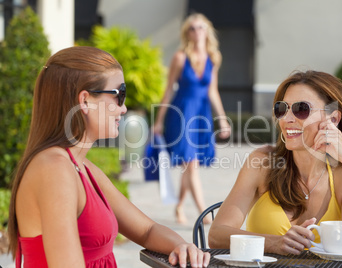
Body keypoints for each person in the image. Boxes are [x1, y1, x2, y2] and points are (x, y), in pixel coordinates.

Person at [8, 46, 210, 268]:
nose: (123, 109)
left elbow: (146, 229)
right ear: (85, 100)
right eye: (119, 95)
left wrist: (182, 247)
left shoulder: (81, 166)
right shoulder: (55, 170)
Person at [208, 70, 342, 255]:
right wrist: (273, 243)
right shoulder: (262, 163)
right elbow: (216, 235)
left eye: (301, 109)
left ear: (333, 119)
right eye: (281, 109)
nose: (286, 119)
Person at [152, 13, 231, 224]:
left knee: (190, 165)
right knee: (191, 163)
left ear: (207, 31)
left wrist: (222, 119)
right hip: (181, 113)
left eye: (201, 27)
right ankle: (203, 212)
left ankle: (178, 207)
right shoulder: (180, 57)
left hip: (201, 115)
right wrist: (159, 121)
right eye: (192, 28)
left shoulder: (214, 58)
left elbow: (213, 91)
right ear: (187, 33)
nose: (197, 32)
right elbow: (168, 90)